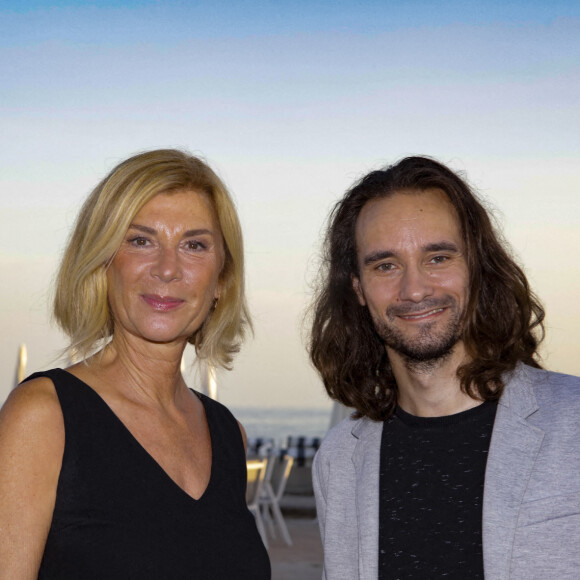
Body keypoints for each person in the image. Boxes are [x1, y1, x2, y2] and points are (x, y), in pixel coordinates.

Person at [0, 149, 271, 579]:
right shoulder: (43, 417)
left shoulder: (227, 433)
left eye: (194, 245)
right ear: (104, 263)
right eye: (141, 240)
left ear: (222, 280)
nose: (167, 269)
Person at [309, 156, 580, 579]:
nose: (414, 289)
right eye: (386, 265)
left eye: (437, 258)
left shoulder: (573, 423)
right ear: (358, 289)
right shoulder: (340, 462)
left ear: (476, 266)